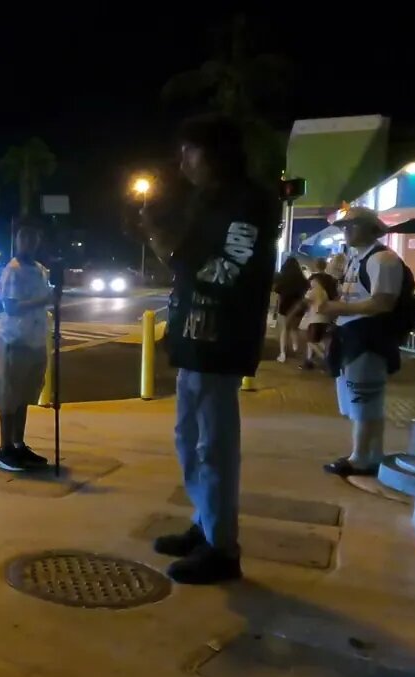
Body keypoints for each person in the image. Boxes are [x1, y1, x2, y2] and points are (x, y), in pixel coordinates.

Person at [140, 114, 280, 585]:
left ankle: (223, 547)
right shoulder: (207, 200)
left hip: (222, 338)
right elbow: (184, 261)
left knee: (214, 444)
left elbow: (226, 269)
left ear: (217, 152)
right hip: (193, 336)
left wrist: (167, 244)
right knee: (189, 438)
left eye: (190, 151)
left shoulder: (250, 202)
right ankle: (205, 523)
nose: (183, 162)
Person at [317, 207, 407, 477]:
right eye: (344, 227)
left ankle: (360, 458)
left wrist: (337, 309)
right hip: (353, 336)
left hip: (369, 337)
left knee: (363, 398)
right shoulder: (358, 258)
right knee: (359, 399)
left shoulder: (383, 260)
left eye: (351, 226)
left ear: (370, 228)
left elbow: (383, 302)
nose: (346, 231)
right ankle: (370, 454)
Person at [0, 223, 53, 472]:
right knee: (9, 396)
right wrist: (44, 300)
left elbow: (46, 298)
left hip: (35, 339)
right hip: (13, 339)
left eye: (32, 237)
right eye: (23, 238)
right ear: (17, 241)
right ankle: (4, 448)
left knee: (25, 395)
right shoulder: (12, 271)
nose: (28, 243)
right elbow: (11, 307)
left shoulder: (39, 270)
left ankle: (18, 444)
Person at [300, 256, 342, 370]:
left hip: (316, 312)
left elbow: (307, 296)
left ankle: (323, 359)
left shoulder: (313, 279)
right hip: (329, 311)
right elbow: (336, 295)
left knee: (312, 339)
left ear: (315, 265)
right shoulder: (332, 280)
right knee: (320, 338)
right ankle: (309, 361)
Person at [273, 256, 309, 363]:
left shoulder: (282, 279)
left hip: (285, 306)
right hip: (299, 307)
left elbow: (278, 295)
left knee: (285, 329)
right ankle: (295, 347)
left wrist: (276, 309)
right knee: (294, 328)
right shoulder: (303, 280)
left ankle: (282, 353)